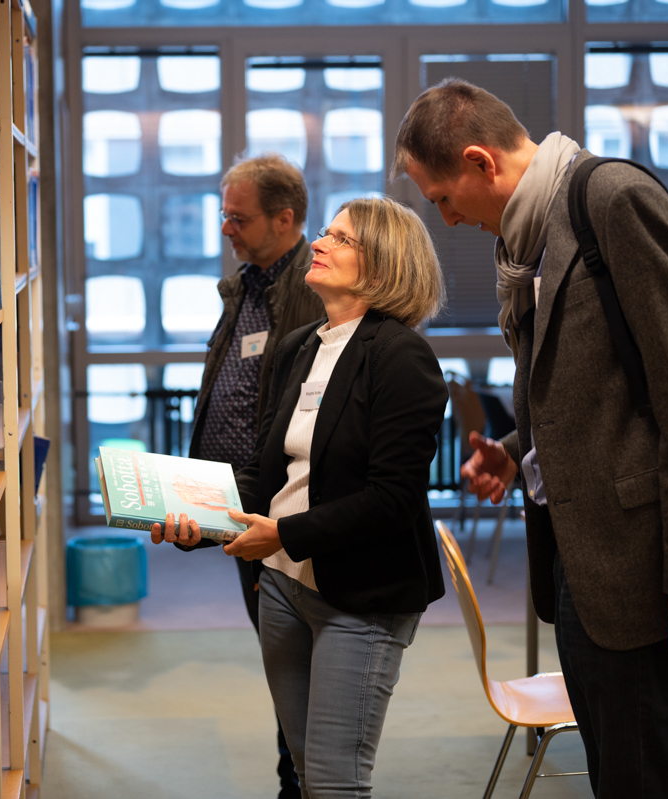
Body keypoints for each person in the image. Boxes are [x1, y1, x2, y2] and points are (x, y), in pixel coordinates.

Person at [392, 79, 668, 797]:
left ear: (480, 162)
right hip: (580, 564)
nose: (449, 220)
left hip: (646, 573)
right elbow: (595, 388)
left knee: (649, 776)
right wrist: (519, 445)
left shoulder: (611, 200)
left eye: (442, 198)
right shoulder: (532, 239)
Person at [154, 196, 448, 798]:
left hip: (361, 594)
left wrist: (283, 535)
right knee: (310, 774)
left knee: (337, 783)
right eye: (324, 233)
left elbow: (392, 500)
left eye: (339, 239)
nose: (318, 244)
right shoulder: (299, 347)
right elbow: (270, 478)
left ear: (383, 263)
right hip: (282, 586)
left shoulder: (402, 358)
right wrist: (195, 523)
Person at [187, 153, 324, 798]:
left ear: (285, 218)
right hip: (235, 500)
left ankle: (297, 783)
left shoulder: (310, 292)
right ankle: (294, 777)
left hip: (279, 507)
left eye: (238, 218)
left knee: (297, 658)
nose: (226, 229)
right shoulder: (247, 283)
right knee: (277, 652)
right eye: (224, 214)